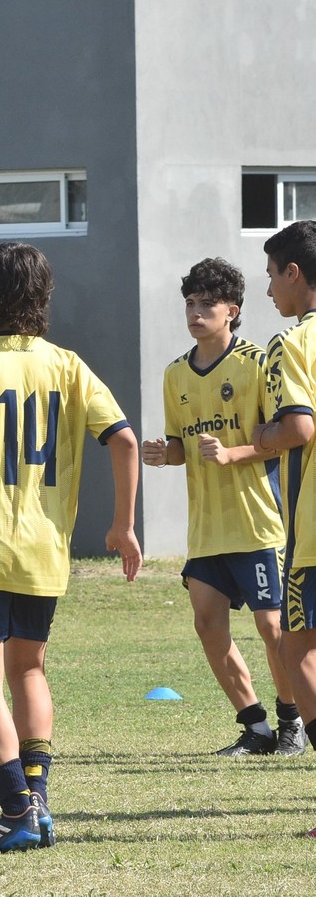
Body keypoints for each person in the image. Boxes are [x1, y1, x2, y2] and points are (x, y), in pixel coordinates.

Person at [0, 242, 140, 852]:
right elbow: (122, 440)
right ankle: (37, 799)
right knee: (29, 668)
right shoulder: (68, 365)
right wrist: (123, 525)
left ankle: (17, 811)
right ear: (42, 298)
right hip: (46, 548)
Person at [141, 258, 302, 756]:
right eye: (189, 303)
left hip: (259, 522)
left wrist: (235, 453)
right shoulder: (175, 375)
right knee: (208, 623)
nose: (195, 312)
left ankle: (292, 723)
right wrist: (161, 454)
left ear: (231, 310)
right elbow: (179, 445)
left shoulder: (257, 363)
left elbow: (287, 436)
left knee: (272, 627)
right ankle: (255, 728)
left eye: (206, 303)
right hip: (207, 528)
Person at [251, 221, 316, 812]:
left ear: (294, 273)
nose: (269, 290)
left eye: (272, 275)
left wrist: (265, 433)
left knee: (298, 653)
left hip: (314, 530)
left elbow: (299, 427)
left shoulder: (293, 344)